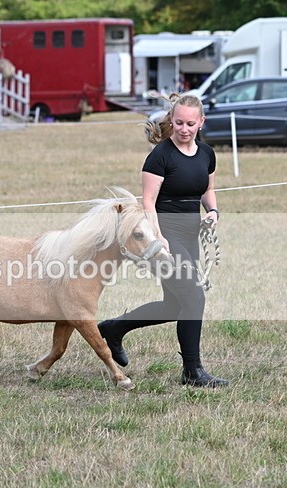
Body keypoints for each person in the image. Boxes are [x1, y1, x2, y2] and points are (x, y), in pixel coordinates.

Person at [98, 93, 229, 388]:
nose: (183, 128)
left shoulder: (207, 153)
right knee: (194, 297)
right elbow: (148, 203)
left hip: (191, 234)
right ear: (171, 120)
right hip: (165, 236)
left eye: (190, 123)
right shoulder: (160, 156)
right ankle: (193, 371)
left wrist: (213, 211)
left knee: (175, 305)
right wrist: (159, 240)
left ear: (201, 123)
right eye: (178, 122)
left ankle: (113, 328)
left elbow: (207, 189)